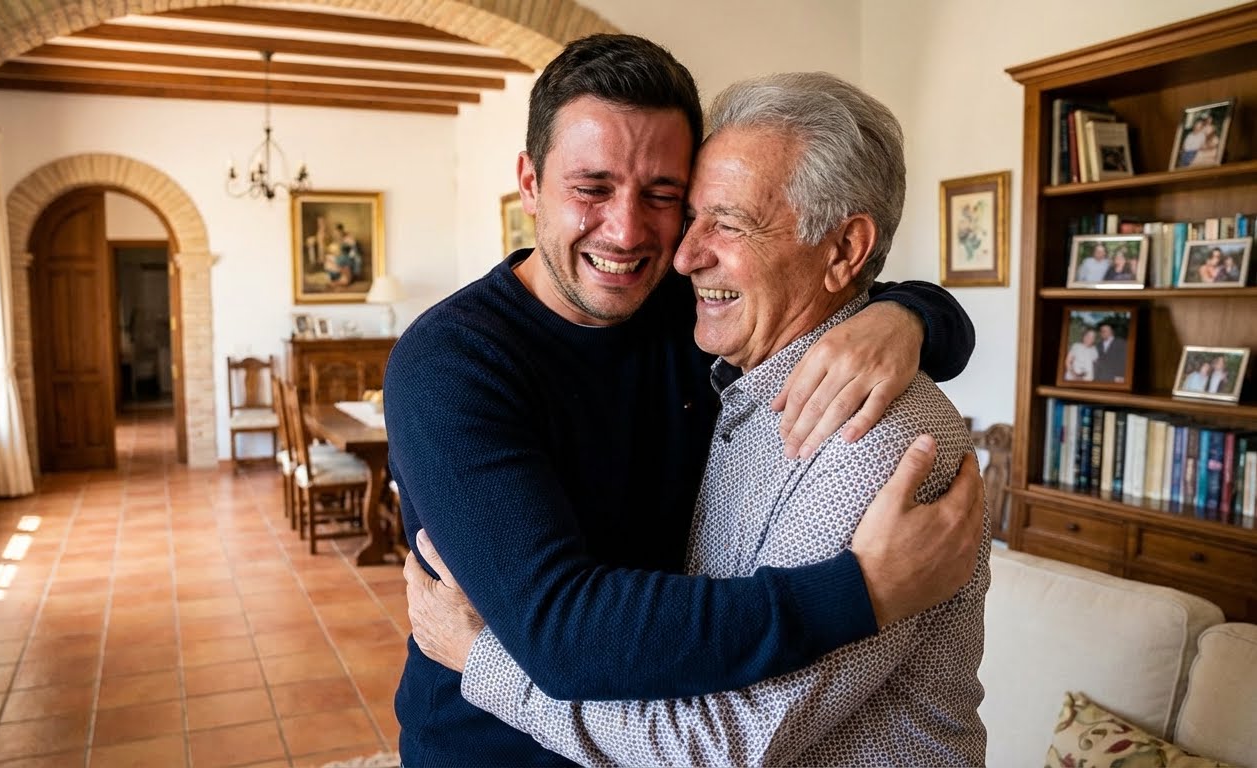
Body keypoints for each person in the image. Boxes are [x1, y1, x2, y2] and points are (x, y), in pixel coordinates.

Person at [384, 35, 980, 767]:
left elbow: (817, 291)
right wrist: (861, 593)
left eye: (668, 197)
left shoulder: (681, 311)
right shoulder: (451, 364)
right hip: (494, 747)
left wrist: (912, 316)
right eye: (591, 188)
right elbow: (564, 632)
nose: (633, 232)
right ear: (530, 183)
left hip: (650, 737)